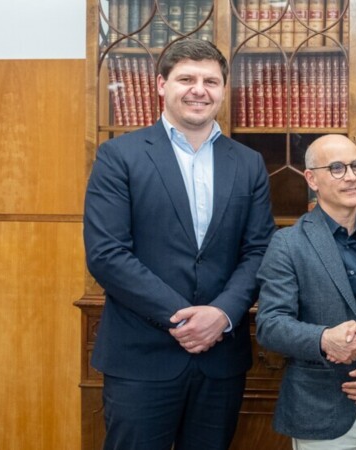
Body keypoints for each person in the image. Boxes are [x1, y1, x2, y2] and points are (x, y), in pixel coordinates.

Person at [83, 39, 276, 450]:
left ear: (223, 89)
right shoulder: (118, 156)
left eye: (211, 81)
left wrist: (221, 314)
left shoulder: (248, 162)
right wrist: (185, 320)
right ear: (161, 85)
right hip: (141, 357)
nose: (199, 90)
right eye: (186, 79)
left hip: (220, 360)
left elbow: (259, 250)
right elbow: (107, 254)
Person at [255, 134, 356, 449]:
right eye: (337, 168)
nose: (352, 176)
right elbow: (270, 324)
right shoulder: (287, 243)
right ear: (311, 179)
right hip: (320, 410)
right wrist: (323, 338)